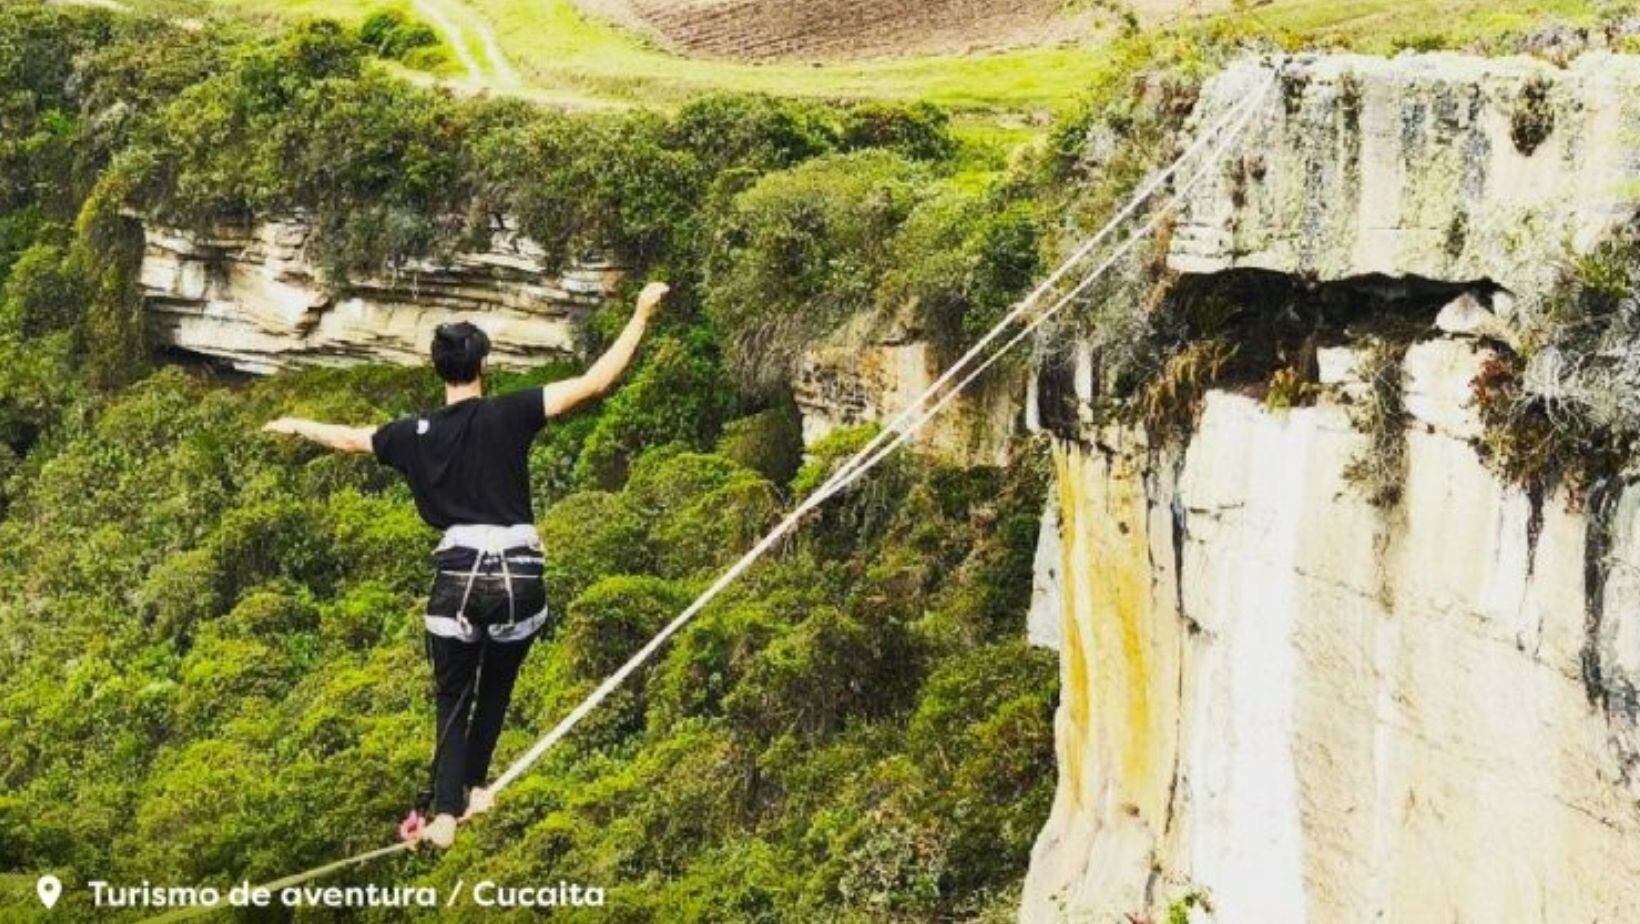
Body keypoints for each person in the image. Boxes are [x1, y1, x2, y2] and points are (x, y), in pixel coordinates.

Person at [263, 280, 670, 849]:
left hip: (456, 579)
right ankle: (473, 787)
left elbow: (350, 440)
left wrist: (295, 424)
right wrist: (641, 314)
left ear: (439, 370)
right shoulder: (512, 411)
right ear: (485, 364)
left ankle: (448, 812)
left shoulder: (414, 434)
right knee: (496, 687)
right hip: (519, 578)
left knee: (453, 695)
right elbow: (597, 382)